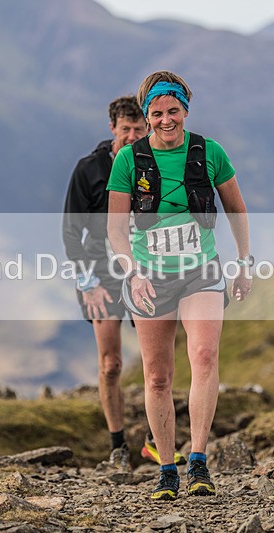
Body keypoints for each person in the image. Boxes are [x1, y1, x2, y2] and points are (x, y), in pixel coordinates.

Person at [106, 71, 252, 500]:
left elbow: (236, 211)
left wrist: (244, 263)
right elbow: (116, 230)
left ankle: (199, 461)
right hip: (149, 276)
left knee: (204, 355)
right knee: (157, 377)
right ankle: (166, 468)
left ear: (185, 109)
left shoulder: (211, 152)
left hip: (201, 270)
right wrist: (131, 272)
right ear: (147, 115)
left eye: (173, 111)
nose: (165, 120)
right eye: (156, 113)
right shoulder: (128, 160)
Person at [63, 96, 185, 472]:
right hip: (101, 275)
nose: (133, 136)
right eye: (126, 129)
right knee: (112, 363)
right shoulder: (89, 170)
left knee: (158, 363)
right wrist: (89, 284)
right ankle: (118, 446)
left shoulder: (153, 163)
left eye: (139, 129)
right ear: (113, 129)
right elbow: (71, 232)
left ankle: (154, 441)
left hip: (148, 270)